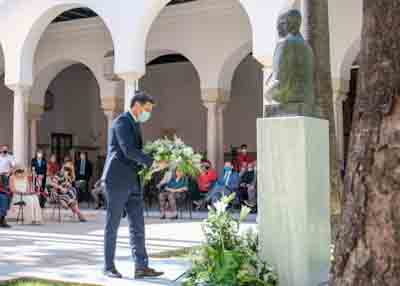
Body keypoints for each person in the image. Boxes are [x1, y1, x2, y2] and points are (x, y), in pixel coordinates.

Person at [102, 91, 165, 279]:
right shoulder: (121, 122)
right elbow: (128, 150)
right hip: (117, 181)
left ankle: (141, 266)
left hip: (133, 182)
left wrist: (157, 159)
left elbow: (137, 153)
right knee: (112, 225)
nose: (148, 113)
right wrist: (152, 162)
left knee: (138, 226)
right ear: (137, 105)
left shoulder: (135, 124)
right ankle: (108, 266)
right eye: (147, 109)